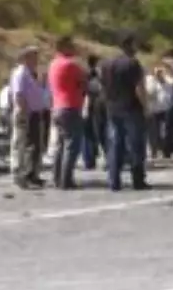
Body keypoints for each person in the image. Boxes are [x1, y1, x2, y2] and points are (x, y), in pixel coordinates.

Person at [102, 34, 150, 191]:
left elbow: (104, 87)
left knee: (115, 144)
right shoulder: (133, 64)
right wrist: (146, 107)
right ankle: (137, 180)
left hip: (112, 107)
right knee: (136, 145)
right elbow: (139, 88)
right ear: (130, 45)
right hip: (131, 107)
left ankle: (113, 180)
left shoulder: (107, 64)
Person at [47, 36, 86, 190]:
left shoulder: (53, 64)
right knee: (71, 145)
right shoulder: (70, 65)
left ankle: (57, 178)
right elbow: (83, 81)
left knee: (60, 145)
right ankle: (66, 180)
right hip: (70, 106)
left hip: (57, 106)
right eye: (71, 46)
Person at [9, 46, 47, 189]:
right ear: (25, 58)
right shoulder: (20, 73)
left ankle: (32, 174)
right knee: (21, 144)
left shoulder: (33, 74)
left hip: (35, 113)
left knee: (34, 145)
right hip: (25, 113)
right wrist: (23, 111)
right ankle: (18, 174)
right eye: (33, 56)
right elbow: (19, 94)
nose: (36, 59)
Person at [82, 53, 105, 170]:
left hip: (85, 106)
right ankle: (92, 158)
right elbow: (97, 89)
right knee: (96, 132)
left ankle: (88, 160)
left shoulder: (83, 74)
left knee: (87, 134)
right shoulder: (95, 75)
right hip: (94, 105)